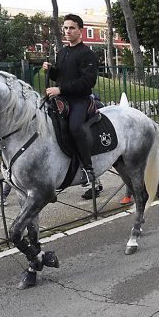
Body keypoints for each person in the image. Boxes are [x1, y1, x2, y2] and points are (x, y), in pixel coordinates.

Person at [43, 13, 99, 188]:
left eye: (72, 28)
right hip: (61, 99)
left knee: (75, 128)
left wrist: (60, 89)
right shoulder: (62, 52)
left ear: (80, 31)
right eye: (65, 28)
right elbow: (61, 75)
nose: (67, 31)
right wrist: (51, 70)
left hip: (79, 100)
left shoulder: (87, 54)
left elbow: (88, 81)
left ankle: (88, 169)